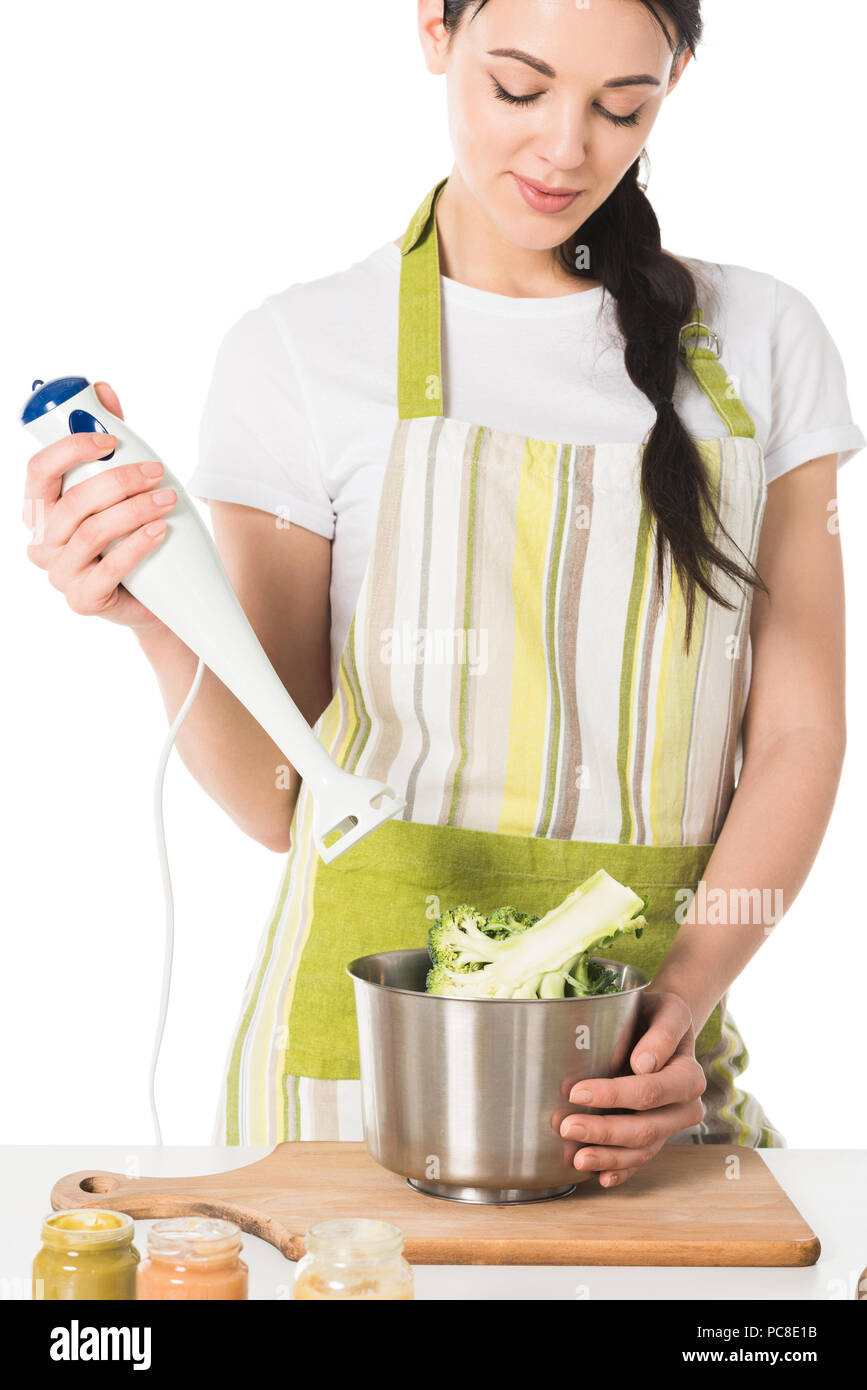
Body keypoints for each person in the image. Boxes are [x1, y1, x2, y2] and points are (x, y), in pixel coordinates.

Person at [24, 0, 864, 1187]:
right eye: (519, 88)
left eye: (622, 105)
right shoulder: (303, 352)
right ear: (434, 26)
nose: (566, 148)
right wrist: (151, 613)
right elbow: (283, 797)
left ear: (675, 77)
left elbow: (798, 731)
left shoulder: (767, 343)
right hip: (344, 1093)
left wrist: (671, 1010)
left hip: (645, 1091)